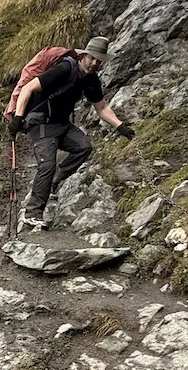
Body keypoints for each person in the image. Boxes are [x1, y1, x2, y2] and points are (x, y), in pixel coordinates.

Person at [7, 36, 134, 231]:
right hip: (41, 122)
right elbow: (28, 88)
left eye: (99, 60)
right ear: (84, 55)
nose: (95, 63)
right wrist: (17, 117)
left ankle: (55, 182)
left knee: (83, 146)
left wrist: (121, 127)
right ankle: (32, 214)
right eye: (92, 58)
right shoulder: (65, 68)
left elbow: (101, 107)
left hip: (61, 124)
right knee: (46, 164)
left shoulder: (91, 80)